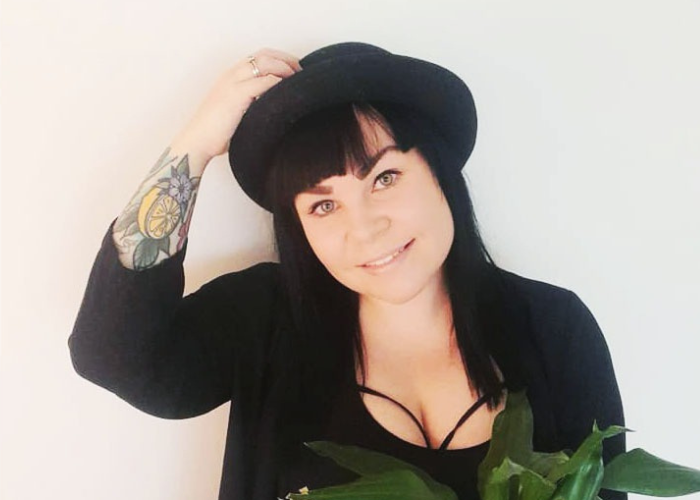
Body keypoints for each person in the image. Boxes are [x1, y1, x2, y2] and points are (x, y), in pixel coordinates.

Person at [68, 42, 625, 500]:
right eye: (323, 205)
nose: (365, 230)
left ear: (439, 172)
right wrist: (195, 146)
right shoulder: (268, 321)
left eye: (384, 178)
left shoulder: (552, 327)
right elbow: (114, 353)